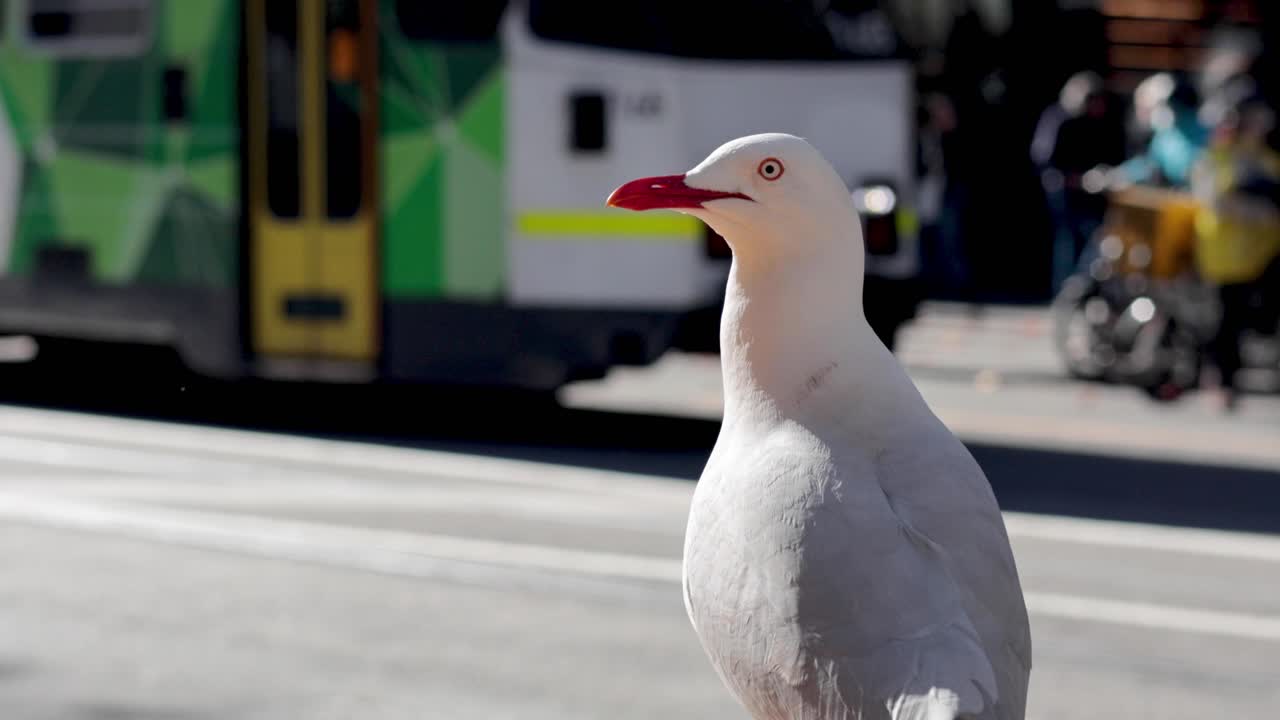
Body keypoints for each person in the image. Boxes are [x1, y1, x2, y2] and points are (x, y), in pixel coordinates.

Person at [1190, 92, 1280, 410]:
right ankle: (1221, 380)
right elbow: (1215, 201)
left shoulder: (1262, 158)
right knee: (1226, 321)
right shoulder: (1214, 158)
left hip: (1260, 255)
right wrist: (1256, 211)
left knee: (1245, 319)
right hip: (1224, 255)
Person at [1032, 71, 1129, 294]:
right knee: (1068, 243)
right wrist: (1076, 179)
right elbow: (1045, 159)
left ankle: (1082, 291)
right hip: (1065, 193)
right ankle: (1067, 293)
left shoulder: (1100, 121)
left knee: (1093, 241)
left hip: (1093, 194)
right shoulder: (1060, 119)